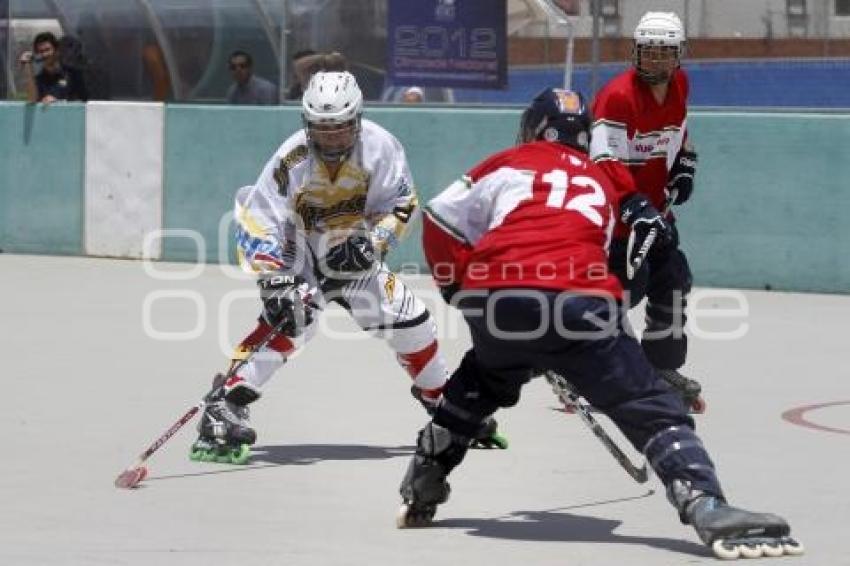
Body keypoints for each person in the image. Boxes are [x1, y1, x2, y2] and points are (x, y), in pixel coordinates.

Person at [394, 87, 803, 560]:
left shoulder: (505, 161)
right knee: (648, 402)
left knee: (485, 373)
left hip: (497, 298)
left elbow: (440, 219)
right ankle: (705, 504)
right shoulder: (601, 182)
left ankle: (426, 474)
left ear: (531, 129)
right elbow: (604, 258)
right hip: (578, 302)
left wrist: (455, 286)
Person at [190, 71, 505, 465]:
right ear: (308, 124)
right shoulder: (293, 156)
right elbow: (259, 216)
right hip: (298, 245)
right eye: (322, 129)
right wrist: (275, 280)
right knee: (293, 319)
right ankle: (226, 401)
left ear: (356, 119)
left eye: (340, 128)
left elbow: (403, 204)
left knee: (412, 321)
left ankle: (441, 399)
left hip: (354, 248)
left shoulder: (381, 146)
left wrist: (374, 244)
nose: (332, 138)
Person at [589, 12, 703, 411]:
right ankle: (586, 369)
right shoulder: (617, 96)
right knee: (621, 292)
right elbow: (602, 157)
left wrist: (685, 164)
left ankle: (660, 369)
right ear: (636, 52)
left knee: (673, 280)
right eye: (649, 53)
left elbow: (679, 132)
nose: (656, 61)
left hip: (657, 214)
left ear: (678, 57)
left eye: (665, 54)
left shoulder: (680, 86)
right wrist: (631, 202)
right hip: (618, 221)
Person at [19, 31, 88, 104]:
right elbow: (32, 99)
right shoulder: (40, 79)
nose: (45, 54)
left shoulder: (72, 74)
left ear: (56, 50)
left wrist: (58, 101)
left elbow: (84, 100)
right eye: (41, 52)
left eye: (47, 50)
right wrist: (27, 65)